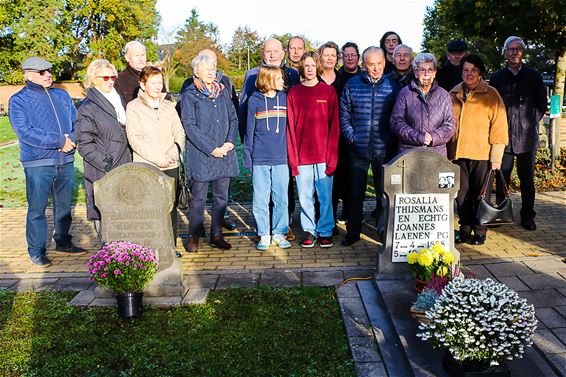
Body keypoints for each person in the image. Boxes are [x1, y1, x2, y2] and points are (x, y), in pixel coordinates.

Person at [9, 56, 86, 267]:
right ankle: (36, 250)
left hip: (65, 160)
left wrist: (71, 140)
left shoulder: (61, 94)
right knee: (37, 209)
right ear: (29, 75)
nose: (48, 74)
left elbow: (76, 121)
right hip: (38, 162)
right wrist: (59, 141)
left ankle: (63, 241)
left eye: (49, 70)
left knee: (63, 206)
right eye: (43, 72)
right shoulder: (18, 101)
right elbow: (25, 132)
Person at [239, 38, 300, 240]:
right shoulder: (252, 76)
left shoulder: (291, 75)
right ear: (263, 54)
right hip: (261, 146)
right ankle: (263, 230)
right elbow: (245, 111)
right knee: (261, 193)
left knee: (283, 190)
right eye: (268, 51)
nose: (272, 55)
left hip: (281, 147)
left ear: (282, 53)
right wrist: (248, 145)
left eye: (276, 51)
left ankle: (283, 226)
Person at [179, 54, 239, 252]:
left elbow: (233, 118)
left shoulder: (222, 92)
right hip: (203, 155)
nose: (211, 72)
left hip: (225, 153)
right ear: (197, 72)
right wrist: (212, 148)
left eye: (213, 68)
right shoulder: (189, 95)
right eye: (207, 69)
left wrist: (230, 143)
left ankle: (216, 235)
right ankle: (194, 235)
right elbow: (189, 125)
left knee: (221, 197)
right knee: (198, 198)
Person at [339, 47, 400, 246]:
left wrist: (390, 139)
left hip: (384, 149)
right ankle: (353, 231)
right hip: (358, 148)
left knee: (384, 194)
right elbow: (344, 115)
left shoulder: (393, 86)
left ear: (384, 63)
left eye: (379, 64)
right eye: (371, 64)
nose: (375, 68)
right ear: (363, 65)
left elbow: (398, 116)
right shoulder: (352, 84)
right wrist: (351, 136)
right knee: (355, 193)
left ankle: (382, 231)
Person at [448, 54, 508, 246]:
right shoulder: (453, 94)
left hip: (482, 154)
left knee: (480, 195)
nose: (469, 74)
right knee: (461, 195)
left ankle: (480, 231)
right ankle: (464, 230)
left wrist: (496, 157)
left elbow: (499, 128)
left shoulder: (492, 94)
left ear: (480, 72)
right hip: (457, 154)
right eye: (466, 70)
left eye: (473, 70)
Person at [490, 36, 547, 231]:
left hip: (526, 138)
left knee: (527, 180)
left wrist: (529, 122)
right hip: (503, 138)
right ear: (505, 53)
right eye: (511, 49)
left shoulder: (534, 76)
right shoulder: (497, 78)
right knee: (502, 177)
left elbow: (541, 105)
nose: (514, 52)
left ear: (523, 53)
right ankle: (501, 214)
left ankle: (528, 216)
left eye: (518, 49)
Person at [126, 66, 186, 247]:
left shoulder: (169, 105)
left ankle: (171, 248)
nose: (158, 86)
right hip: (147, 167)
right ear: (143, 85)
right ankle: (151, 250)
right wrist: (158, 158)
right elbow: (134, 139)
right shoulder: (133, 107)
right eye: (153, 83)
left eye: (160, 82)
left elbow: (179, 132)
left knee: (170, 210)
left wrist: (173, 151)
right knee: (150, 210)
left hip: (171, 165)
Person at [287, 51, 340, 248]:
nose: (309, 69)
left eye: (312, 65)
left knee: (325, 197)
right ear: (302, 67)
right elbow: (290, 129)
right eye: (306, 65)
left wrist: (332, 157)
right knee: (305, 197)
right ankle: (309, 230)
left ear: (317, 67)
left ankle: (325, 230)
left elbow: (334, 127)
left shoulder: (328, 92)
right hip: (302, 157)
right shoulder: (294, 93)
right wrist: (293, 160)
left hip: (324, 156)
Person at [76, 59, 132, 245]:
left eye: (113, 77)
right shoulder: (88, 107)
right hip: (103, 171)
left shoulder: (118, 100)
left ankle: (127, 261)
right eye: (105, 77)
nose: (110, 81)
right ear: (93, 80)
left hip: (124, 165)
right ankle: (109, 264)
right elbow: (84, 144)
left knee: (125, 219)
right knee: (106, 223)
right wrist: (108, 164)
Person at [244, 65, 292, 251]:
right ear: (268, 80)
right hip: (260, 159)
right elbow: (249, 132)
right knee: (260, 198)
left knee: (281, 198)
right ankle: (264, 233)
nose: (283, 81)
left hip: (281, 159)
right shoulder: (254, 101)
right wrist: (248, 158)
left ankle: (279, 232)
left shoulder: (285, 98)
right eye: (279, 78)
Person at [390, 53, 456, 157]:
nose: (426, 74)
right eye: (422, 70)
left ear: (434, 73)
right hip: (409, 153)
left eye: (430, 70)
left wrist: (433, 137)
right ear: (416, 73)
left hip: (437, 154)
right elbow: (396, 122)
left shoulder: (444, 95)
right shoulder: (405, 93)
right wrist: (419, 137)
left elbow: (450, 125)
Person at [319, 41, 349, 231]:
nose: (330, 58)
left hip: (340, 137)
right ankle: (322, 217)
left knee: (340, 177)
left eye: (333, 55)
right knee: (321, 179)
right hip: (318, 136)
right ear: (320, 57)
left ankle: (337, 216)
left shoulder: (343, 80)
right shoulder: (313, 79)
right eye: (326, 54)